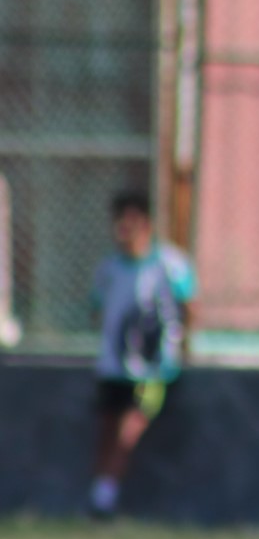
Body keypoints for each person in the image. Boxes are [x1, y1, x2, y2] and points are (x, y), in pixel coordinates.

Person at [88, 190, 196, 518]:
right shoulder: (109, 269)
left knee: (129, 429)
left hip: (153, 370)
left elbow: (190, 306)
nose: (123, 227)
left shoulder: (169, 264)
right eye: (119, 220)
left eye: (130, 219)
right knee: (108, 430)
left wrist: (181, 344)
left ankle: (103, 501)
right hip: (114, 366)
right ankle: (100, 495)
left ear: (146, 223)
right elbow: (97, 311)